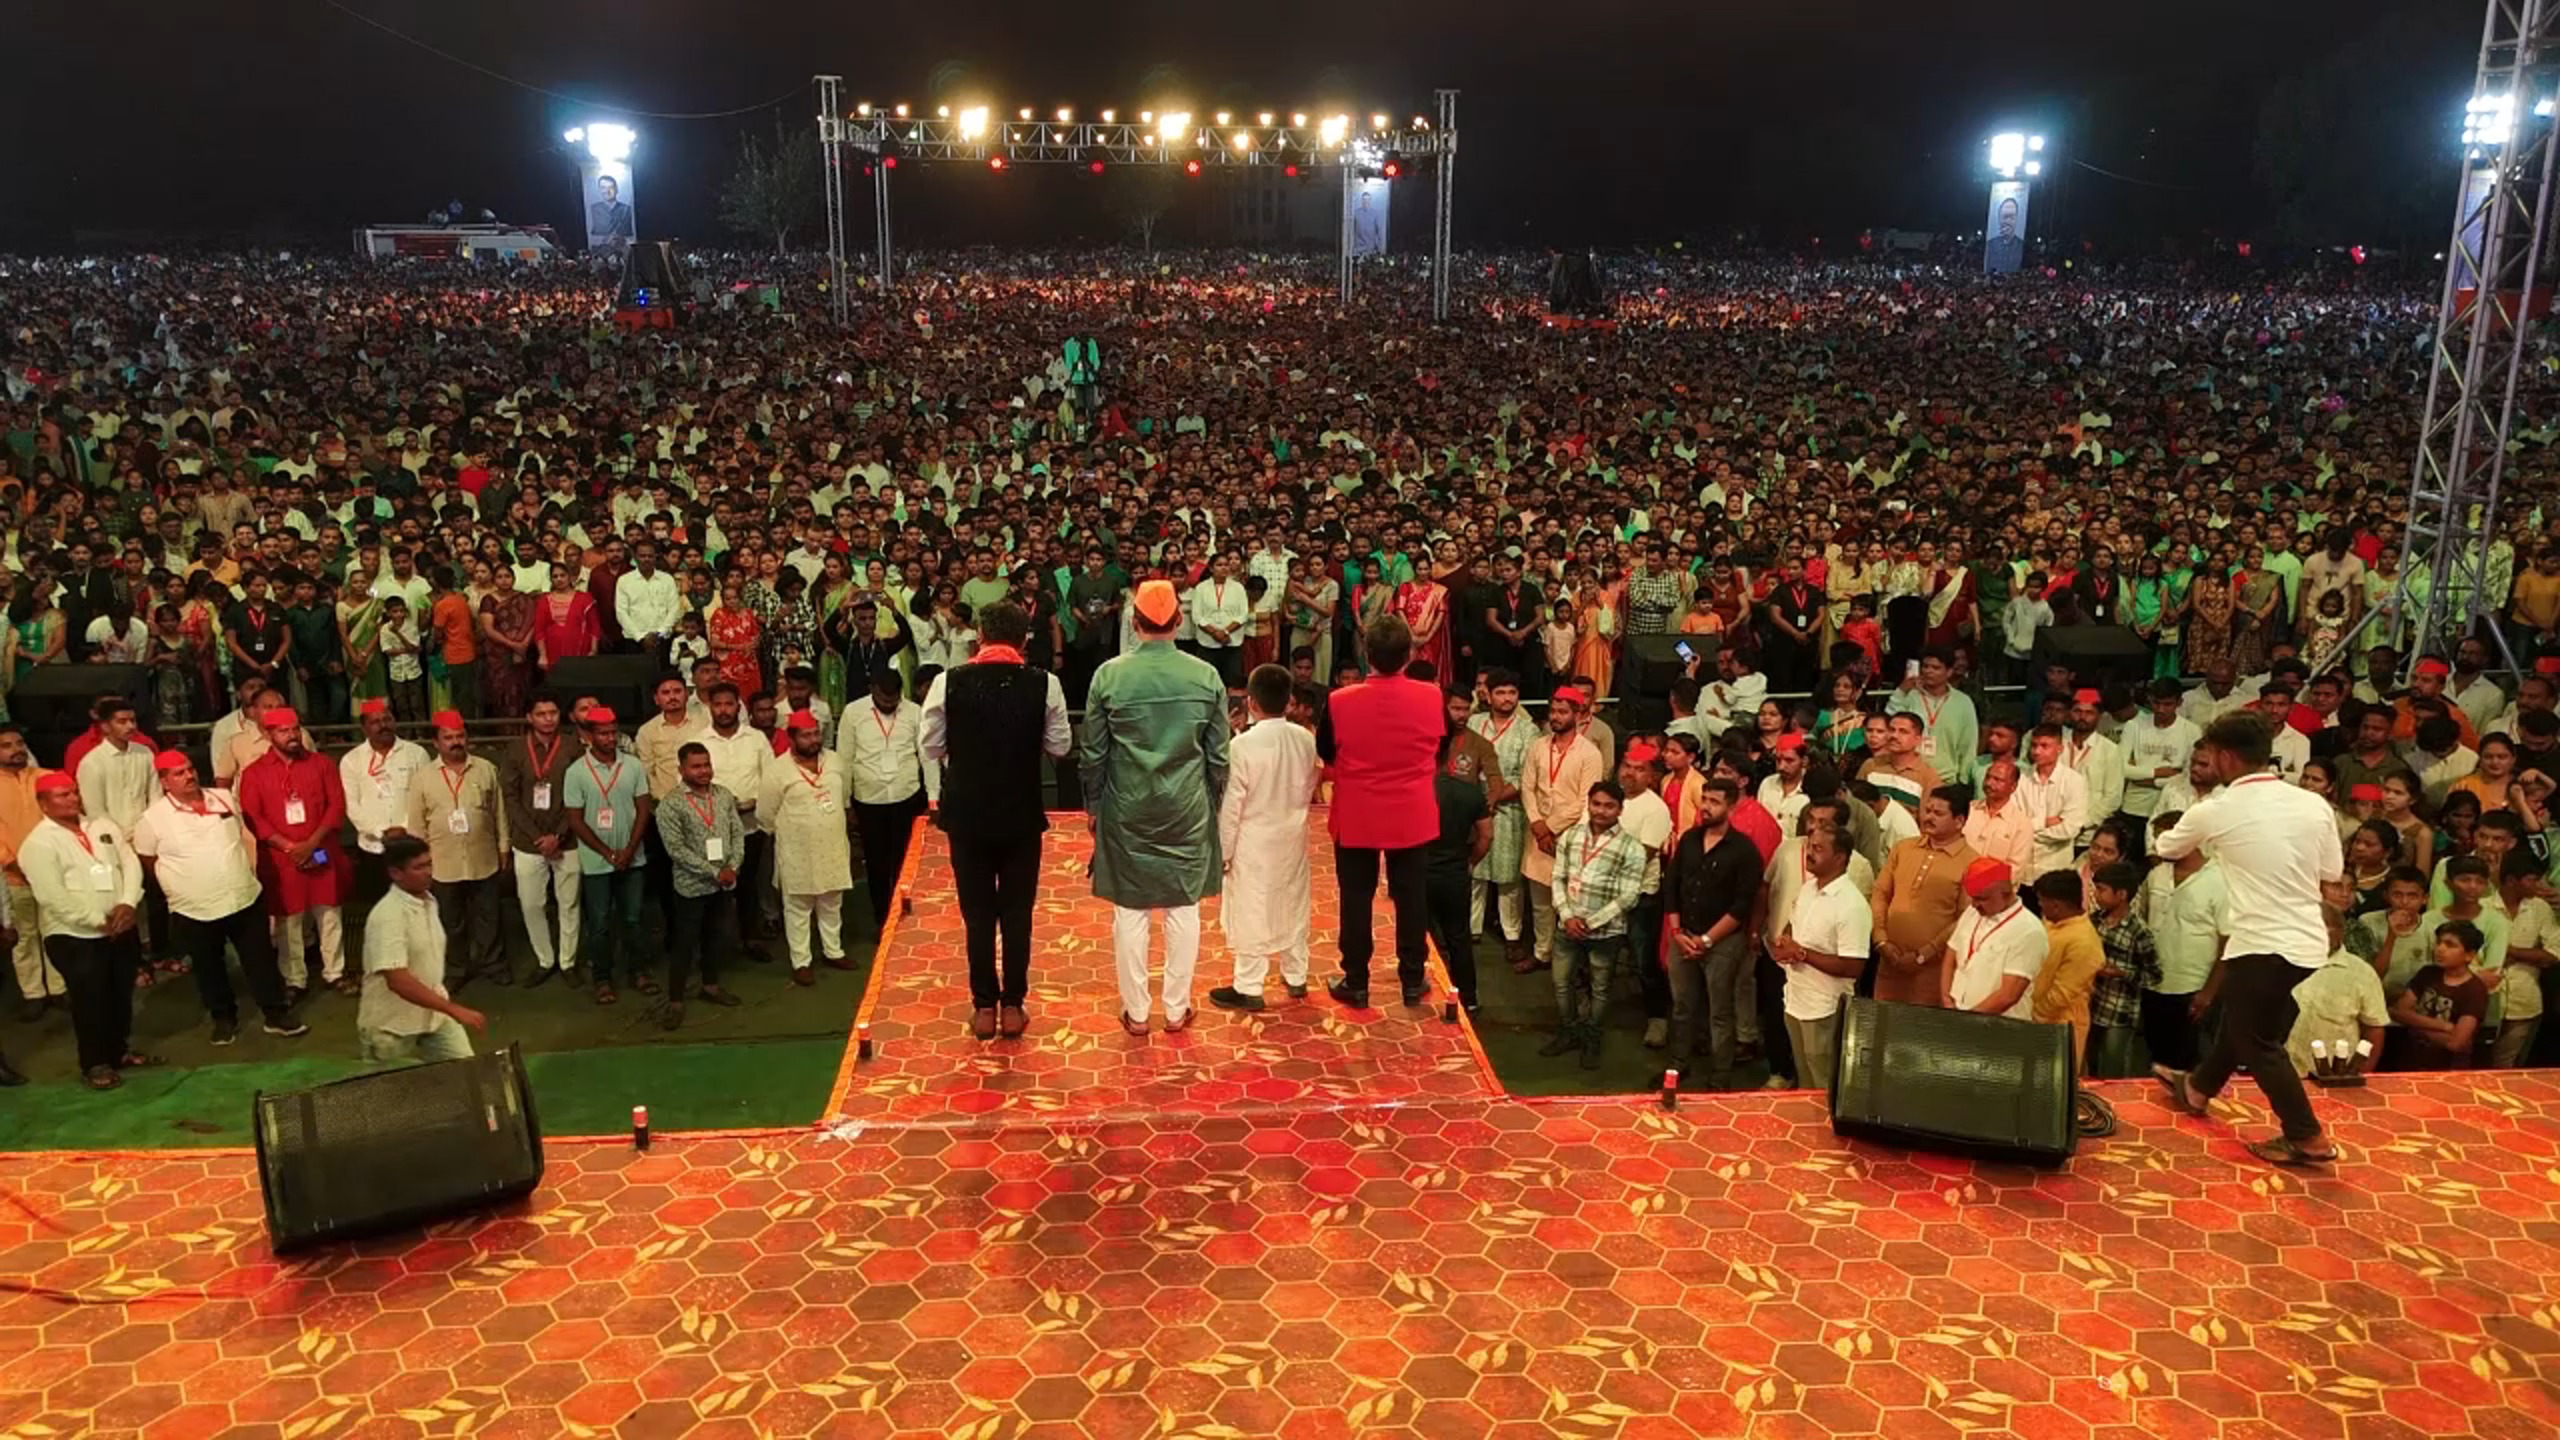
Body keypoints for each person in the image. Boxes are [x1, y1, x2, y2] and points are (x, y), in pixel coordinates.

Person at [2152, 712, 2345, 1167]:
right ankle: (2198, 1089)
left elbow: (2166, 847)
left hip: (2262, 942)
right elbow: (2332, 871)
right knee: (2242, 1021)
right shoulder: (2312, 803)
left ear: (2224, 756)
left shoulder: (2216, 808)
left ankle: (2307, 1136)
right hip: (2308, 940)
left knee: (2254, 1038)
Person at [1081, 579, 1229, 1033]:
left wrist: (1093, 805)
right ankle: (1177, 1009)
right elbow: (1219, 757)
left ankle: (1138, 1012)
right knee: (1183, 906)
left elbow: (1093, 754)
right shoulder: (1205, 676)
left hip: (1127, 804)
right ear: (1179, 621)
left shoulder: (1109, 676)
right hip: (1187, 804)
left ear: (1134, 619)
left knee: (1131, 908)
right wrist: (1212, 802)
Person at [922, 600, 1074, 1039]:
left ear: (980, 636)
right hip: (1020, 812)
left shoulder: (948, 681)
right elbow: (1060, 746)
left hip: (967, 814)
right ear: (1025, 639)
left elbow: (930, 746)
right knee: (1017, 914)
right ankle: (1013, 1006)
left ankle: (984, 1007)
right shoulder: (1044, 683)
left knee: (978, 915)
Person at [132, 751, 304, 1047]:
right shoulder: (152, 820)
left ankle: (275, 1014)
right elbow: (148, 861)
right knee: (208, 967)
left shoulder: (223, 798)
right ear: (164, 782)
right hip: (194, 908)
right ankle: (223, 1018)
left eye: (189, 769)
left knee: (261, 960)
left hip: (243, 897)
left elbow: (242, 835)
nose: (189, 776)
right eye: (178, 773)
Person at [1316, 613, 1443, 1007]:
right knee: (1412, 895)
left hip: (1358, 811)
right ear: (1409, 653)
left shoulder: (1339, 701)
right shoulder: (1432, 696)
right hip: (1412, 810)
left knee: (1356, 897)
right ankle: (1412, 978)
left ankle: (1356, 980)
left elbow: (1326, 751)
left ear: (1366, 653)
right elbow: (1440, 748)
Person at [24, 771, 149, 1088]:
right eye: (62, 795)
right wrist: (98, 920)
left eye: (74, 792)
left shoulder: (102, 826)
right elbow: (52, 896)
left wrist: (128, 902)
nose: (73, 799)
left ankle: (118, 1051)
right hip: (74, 936)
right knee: (90, 1000)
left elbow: (129, 863)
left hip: (120, 927)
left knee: (120, 994)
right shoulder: (39, 843)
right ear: (43, 803)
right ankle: (94, 1063)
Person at [1210, 664, 1321, 1013]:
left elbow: (1232, 807)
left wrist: (1223, 852)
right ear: (1289, 701)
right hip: (1292, 833)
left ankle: (1249, 986)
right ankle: (1296, 975)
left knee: (1252, 908)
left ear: (1251, 703)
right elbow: (1311, 783)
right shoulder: (1305, 738)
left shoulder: (1241, 746)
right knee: (1292, 902)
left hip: (1253, 840)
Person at [237, 708, 351, 998]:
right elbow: (253, 817)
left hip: (322, 851)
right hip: (282, 858)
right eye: (284, 731)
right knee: (289, 920)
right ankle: (295, 979)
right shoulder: (254, 773)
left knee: (329, 912)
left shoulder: (322, 764)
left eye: (295, 729)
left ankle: (335, 972)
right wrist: (290, 847)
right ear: (267, 735)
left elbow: (336, 806)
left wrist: (312, 844)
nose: (292, 736)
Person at [1661, 775, 1760, 1089]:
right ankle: (1678, 1066)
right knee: (1681, 1006)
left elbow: (1742, 905)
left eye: (1714, 802)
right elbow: (1672, 886)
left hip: (1722, 942)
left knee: (1720, 1011)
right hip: (1683, 935)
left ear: (1731, 807)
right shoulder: (1690, 840)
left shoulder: (1744, 850)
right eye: (1704, 799)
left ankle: (1720, 1076)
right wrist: (1677, 932)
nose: (1705, 807)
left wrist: (1706, 940)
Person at [358, 834, 488, 1064]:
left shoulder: (429, 901)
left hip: (433, 1017)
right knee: (399, 1086)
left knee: (467, 1072)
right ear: (395, 873)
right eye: (419, 867)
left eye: (429, 864)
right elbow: (398, 980)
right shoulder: (388, 916)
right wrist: (454, 1009)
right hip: (392, 1029)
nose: (428, 871)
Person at [405, 711, 508, 988]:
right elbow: (416, 825)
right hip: (443, 863)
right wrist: (420, 863)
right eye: (448, 738)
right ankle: (456, 969)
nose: (455, 742)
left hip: (483, 858)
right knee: (450, 921)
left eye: (460, 736)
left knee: (489, 916)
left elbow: (499, 812)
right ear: (435, 743)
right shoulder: (423, 778)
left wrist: (504, 847)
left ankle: (493, 963)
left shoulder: (486, 769)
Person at [563, 706, 655, 1004]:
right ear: (589, 736)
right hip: (595, 861)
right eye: (603, 734)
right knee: (600, 923)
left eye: (613, 733)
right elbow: (575, 820)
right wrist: (607, 852)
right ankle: (602, 979)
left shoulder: (633, 766)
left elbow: (643, 809)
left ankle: (639, 972)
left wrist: (629, 850)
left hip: (633, 858)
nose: (610, 738)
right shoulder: (576, 772)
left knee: (633, 918)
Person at [1770, 824, 1869, 1093]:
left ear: (1839, 857)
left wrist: (1801, 953)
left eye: (1818, 849)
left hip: (1824, 1007)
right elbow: (1793, 925)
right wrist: (1785, 941)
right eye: (1809, 847)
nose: (1809, 854)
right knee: (1805, 1079)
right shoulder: (1808, 888)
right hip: (1795, 999)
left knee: (1824, 1084)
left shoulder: (1851, 905)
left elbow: (1853, 966)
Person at [655, 741, 747, 1030]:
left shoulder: (723, 795)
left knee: (714, 937)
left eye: (706, 764)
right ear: (681, 769)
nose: (704, 771)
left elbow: (737, 833)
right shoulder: (671, 804)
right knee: (684, 943)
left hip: (723, 884)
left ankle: (710, 986)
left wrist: (733, 866)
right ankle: (675, 1000)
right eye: (696, 766)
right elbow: (676, 850)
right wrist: (715, 872)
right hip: (691, 886)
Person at [757, 710, 855, 981]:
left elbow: (844, 794)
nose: (814, 740)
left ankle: (833, 951)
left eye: (816, 734)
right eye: (806, 736)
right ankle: (801, 962)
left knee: (832, 902)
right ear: (791, 738)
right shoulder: (777, 770)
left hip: (833, 846)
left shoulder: (834, 760)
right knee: (798, 907)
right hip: (797, 851)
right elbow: (765, 814)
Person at [1519, 686, 1608, 976]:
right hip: (1537, 836)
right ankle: (1541, 953)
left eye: (1562, 712)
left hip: (1568, 837)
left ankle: (1568, 962)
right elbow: (1527, 787)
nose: (1556, 717)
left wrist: (1550, 827)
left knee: (1567, 903)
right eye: (1553, 711)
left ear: (1578, 714)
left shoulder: (1590, 753)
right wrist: (1537, 823)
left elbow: (1585, 800)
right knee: (1540, 902)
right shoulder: (1538, 746)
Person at [840, 669, 933, 934]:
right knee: (877, 862)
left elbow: (926, 756)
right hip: (869, 799)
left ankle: (905, 912)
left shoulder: (914, 712)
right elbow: (845, 759)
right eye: (883, 699)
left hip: (906, 795)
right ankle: (882, 917)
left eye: (894, 700)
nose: (889, 704)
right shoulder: (853, 713)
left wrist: (932, 796)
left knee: (906, 860)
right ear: (873, 690)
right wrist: (846, 803)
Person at [498, 692, 582, 985]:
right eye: (541, 714)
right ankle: (545, 959)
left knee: (569, 903)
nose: (548, 719)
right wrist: (538, 838)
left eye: (553, 713)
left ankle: (568, 962)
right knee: (531, 904)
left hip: (567, 839)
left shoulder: (572, 747)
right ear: (529, 718)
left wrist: (558, 835)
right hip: (528, 842)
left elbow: (579, 795)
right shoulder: (515, 750)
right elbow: (510, 798)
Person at [1868, 786, 1979, 1007]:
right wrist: (1881, 939)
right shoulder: (1903, 848)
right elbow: (1880, 893)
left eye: (1938, 813)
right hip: (1888, 960)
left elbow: (1965, 919)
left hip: (1932, 970)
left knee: (1920, 1026)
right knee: (1881, 1022)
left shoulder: (1972, 862)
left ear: (1959, 821)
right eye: (1927, 810)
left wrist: (1923, 955)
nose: (1928, 817)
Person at [697, 681, 776, 964]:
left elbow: (771, 778)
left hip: (751, 824)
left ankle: (751, 938)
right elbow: (688, 782)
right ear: (710, 707)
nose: (723, 710)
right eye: (718, 704)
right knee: (715, 885)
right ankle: (715, 944)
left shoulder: (755, 738)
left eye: (729, 704)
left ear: (738, 706)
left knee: (749, 883)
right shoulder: (700, 741)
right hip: (713, 828)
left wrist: (755, 802)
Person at [1466, 669, 1535, 966]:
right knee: (1474, 872)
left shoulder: (1527, 731)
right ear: (1489, 695)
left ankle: (1512, 936)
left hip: (1509, 810)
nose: (1507, 698)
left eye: (1512, 693)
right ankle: (1471, 930)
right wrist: (1475, 799)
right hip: (1472, 806)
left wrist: (1494, 797)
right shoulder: (1474, 723)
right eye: (1501, 693)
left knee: (1509, 879)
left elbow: (1524, 776)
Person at [0, 725, 62, 1020]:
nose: (16, 750)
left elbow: (63, 819)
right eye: (6, 746)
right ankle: (33, 993)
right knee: (24, 936)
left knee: (54, 930)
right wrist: (12, 862)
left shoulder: (46, 778)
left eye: (19, 743)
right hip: (12, 874)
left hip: (52, 871)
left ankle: (59, 988)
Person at [341, 697, 429, 903]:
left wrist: (404, 829)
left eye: (387, 719)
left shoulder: (416, 754)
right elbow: (352, 806)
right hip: (373, 848)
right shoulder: (351, 760)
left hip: (410, 846)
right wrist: (382, 832)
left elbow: (425, 798)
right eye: (375, 722)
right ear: (364, 728)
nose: (383, 726)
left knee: (415, 905)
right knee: (378, 908)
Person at [1942, 858, 2047, 1017]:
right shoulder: (1972, 913)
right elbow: (1951, 954)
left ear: (2005, 893)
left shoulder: (2029, 931)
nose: (1974, 904)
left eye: (1981, 898)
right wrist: (1947, 1000)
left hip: (1998, 1024)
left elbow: (2008, 996)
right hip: (1958, 1014)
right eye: (1973, 898)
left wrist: (1966, 1021)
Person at [2029, 870, 2106, 1072]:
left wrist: (2031, 1017)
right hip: (2037, 1018)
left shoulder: (2083, 941)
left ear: (2056, 905)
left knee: (2054, 1082)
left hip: (2061, 1025)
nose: (2040, 905)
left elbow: (2061, 994)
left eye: (2042, 901)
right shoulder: (2053, 922)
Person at [2389, 920, 2491, 1071]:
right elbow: (2398, 1012)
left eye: (2450, 945)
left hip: (2448, 1069)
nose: (2440, 949)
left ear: (2469, 955)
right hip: (2409, 1061)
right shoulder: (2427, 973)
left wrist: (2414, 1024)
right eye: (2439, 943)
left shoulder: (2475, 990)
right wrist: (2444, 1026)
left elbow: (2456, 1043)